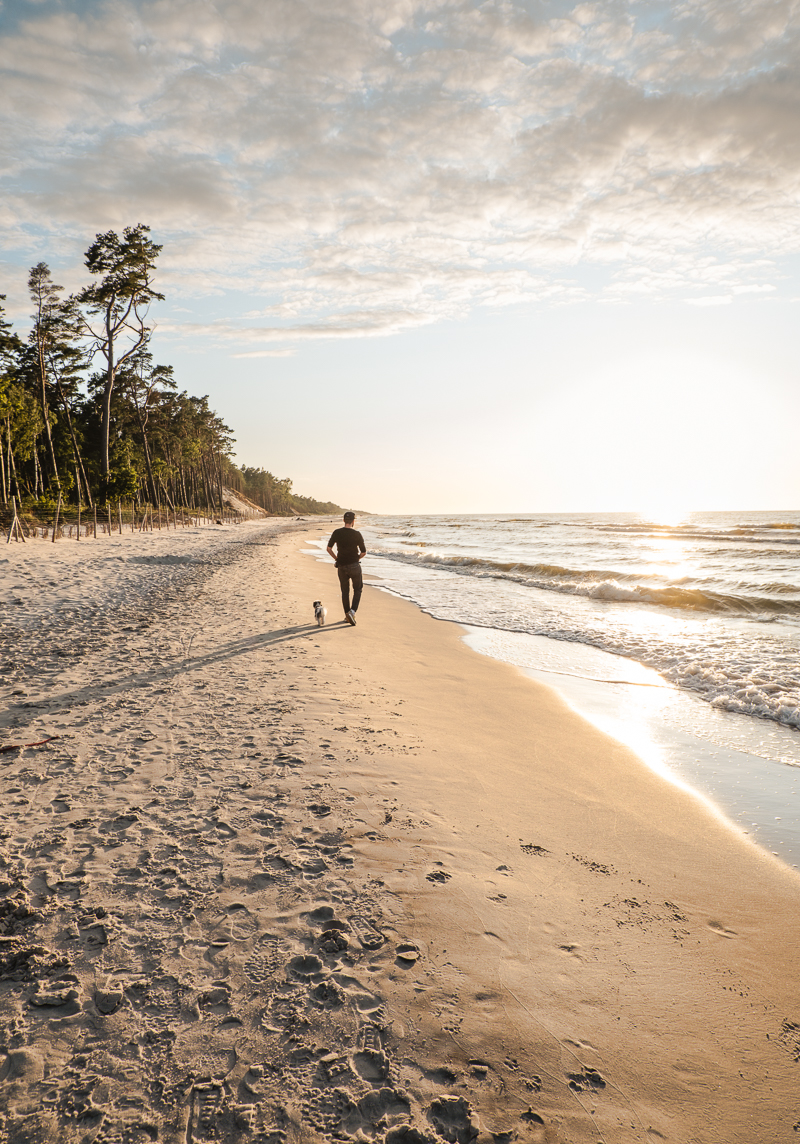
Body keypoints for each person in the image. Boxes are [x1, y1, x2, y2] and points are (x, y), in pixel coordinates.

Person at [327, 511, 366, 625]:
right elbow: (363, 552)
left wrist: (337, 559)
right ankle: (352, 612)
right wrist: (356, 558)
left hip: (341, 566)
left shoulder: (337, 532)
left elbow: (329, 549)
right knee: (358, 589)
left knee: (345, 591)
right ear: (353, 521)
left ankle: (347, 615)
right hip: (354, 565)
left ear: (344, 520)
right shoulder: (357, 534)